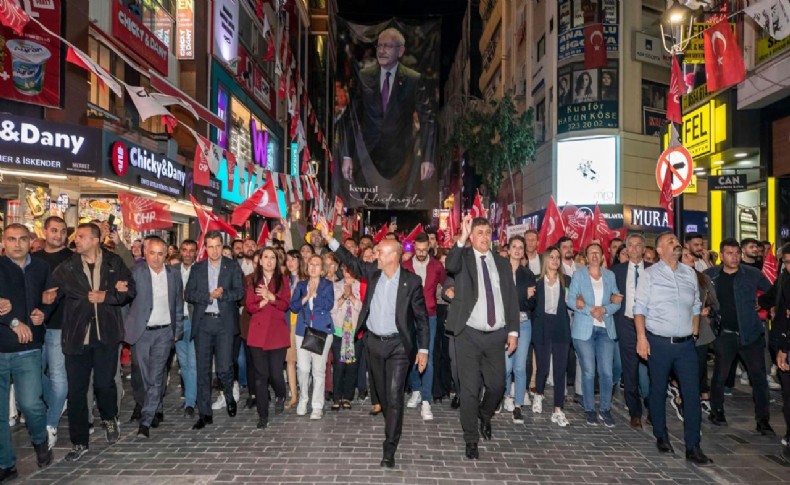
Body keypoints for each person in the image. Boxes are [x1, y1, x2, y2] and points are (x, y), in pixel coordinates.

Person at [320, 217, 428, 468]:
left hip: (399, 346)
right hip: (374, 344)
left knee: (394, 395)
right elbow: (351, 261)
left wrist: (422, 349)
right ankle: (392, 422)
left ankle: (389, 447)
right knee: (382, 394)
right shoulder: (373, 273)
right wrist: (329, 239)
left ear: (394, 256)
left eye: (380, 250)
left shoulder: (411, 282)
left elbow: (422, 319)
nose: (375, 253)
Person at [52, 223, 135, 462]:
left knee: (104, 384)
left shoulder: (113, 263)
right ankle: (79, 441)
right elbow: (50, 291)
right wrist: (44, 303)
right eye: (76, 237)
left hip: (106, 335)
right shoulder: (67, 266)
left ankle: (110, 419)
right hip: (77, 336)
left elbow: (130, 289)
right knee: (77, 390)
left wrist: (107, 296)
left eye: (81, 236)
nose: (76, 240)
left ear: (96, 240)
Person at [445, 215, 520, 460]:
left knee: (498, 384)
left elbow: (510, 298)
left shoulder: (501, 262)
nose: (485, 237)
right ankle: (471, 439)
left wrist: (513, 331)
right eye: (480, 232)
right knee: (469, 390)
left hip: (496, 335)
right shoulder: (464, 259)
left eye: (488, 232)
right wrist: (462, 237)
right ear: (472, 235)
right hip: (468, 334)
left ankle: (485, 414)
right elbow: (450, 264)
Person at [634, 232, 712, 465]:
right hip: (658, 342)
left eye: (677, 241)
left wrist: (695, 331)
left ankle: (693, 446)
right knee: (658, 390)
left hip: (686, 344)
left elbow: (697, 305)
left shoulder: (690, 273)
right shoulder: (649, 275)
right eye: (670, 241)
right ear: (659, 250)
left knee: (692, 393)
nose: (676, 243)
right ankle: (661, 435)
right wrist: (641, 338)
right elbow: (640, 308)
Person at [340, 27, 436, 203]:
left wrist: (428, 159)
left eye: (388, 46)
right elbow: (352, 117)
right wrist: (347, 155)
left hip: (401, 155)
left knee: (398, 199)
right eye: (379, 46)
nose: (382, 50)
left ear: (400, 51)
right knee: (365, 201)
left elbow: (428, 119)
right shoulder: (365, 76)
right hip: (368, 154)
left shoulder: (413, 79)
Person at [0, 224, 54, 480]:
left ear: (31, 241)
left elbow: (52, 296)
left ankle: (40, 441)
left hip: (29, 348)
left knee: (31, 404)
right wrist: (12, 320)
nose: (17, 244)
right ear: (4, 241)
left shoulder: (41, 268)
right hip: (1, 347)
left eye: (22, 239)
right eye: (12, 239)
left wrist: (44, 312)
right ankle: (6, 463)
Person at [704, 238, 774, 435]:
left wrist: (763, 303)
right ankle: (716, 411)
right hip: (724, 334)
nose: (734, 257)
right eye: (729, 253)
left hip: (750, 335)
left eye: (737, 253)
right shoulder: (711, 275)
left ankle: (763, 421)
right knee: (720, 376)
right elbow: (699, 295)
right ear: (722, 255)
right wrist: (707, 312)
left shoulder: (752, 274)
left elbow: (773, 291)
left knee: (759, 379)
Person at [124, 237, 184, 439]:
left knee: (157, 376)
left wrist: (177, 330)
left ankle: (146, 421)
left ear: (166, 254)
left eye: (160, 253)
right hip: (141, 332)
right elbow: (126, 302)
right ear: (145, 253)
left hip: (164, 333)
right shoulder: (136, 273)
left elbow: (177, 303)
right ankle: (152, 406)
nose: (156, 258)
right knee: (142, 377)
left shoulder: (174, 275)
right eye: (152, 253)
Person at [185, 230, 244, 430]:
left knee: (224, 367)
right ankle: (205, 413)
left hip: (224, 324)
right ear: (205, 248)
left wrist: (223, 294)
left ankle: (229, 396)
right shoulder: (198, 268)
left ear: (222, 245)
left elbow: (239, 292)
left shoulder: (232, 266)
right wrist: (208, 297)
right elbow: (188, 294)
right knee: (203, 370)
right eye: (210, 246)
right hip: (203, 324)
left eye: (218, 245)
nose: (215, 250)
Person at [569, 243, 621, 427]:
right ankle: (590, 409)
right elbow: (571, 300)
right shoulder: (579, 274)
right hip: (584, 330)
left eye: (597, 253)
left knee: (606, 372)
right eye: (591, 253)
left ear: (602, 256)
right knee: (589, 371)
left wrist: (605, 309)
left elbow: (617, 300)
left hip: (605, 329)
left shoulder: (609, 275)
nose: (594, 256)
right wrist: (592, 310)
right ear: (586, 256)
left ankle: (605, 409)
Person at [32, 216, 72, 448]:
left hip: (60, 326)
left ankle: (51, 424)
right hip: (35, 325)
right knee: (32, 374)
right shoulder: (33, 259)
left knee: (59, 376)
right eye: (54, 230)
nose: (58, 235)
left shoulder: (71, 259)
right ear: (45, 231)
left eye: (63, 231)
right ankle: (57, 399)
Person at [245, 247, 291, 429]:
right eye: (266, 257)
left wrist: (271, 297)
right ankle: (262, 415)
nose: (269, 261)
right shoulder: (252, 280)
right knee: (260, 377)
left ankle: (281, 394)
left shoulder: (283, 280)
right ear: (260, 260)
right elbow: (249, 305)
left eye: (273, 257)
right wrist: (262, 301)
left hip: (277, 334)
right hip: (257, 335)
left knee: (276, 374)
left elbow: (285, 303)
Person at [402, 233, 446, 420]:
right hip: (409, 316)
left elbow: (446, 282)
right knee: (411, 354)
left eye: (424, 250)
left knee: (427, 355)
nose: (420, 253)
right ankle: (416, 390)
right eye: (417, 250)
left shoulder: (437, 266)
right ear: (413, 247)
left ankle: (426, 400)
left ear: (429, 247)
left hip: (430, 316)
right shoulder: (405, 266)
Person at [612, 234, 651, 429]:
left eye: (638, 245)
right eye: (631, 246)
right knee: (630, 370)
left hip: (650, 326)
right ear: (626, 249)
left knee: (654, 369)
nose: (634, 249)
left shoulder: (654, 271)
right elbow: (608, 294)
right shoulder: (616, 271)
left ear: (644, 249)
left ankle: (653, 409)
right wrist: (612, 299)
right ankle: (635, 411)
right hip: (626, 324)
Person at [290, 254, 334, 419]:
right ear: (307, 268)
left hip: (322, 331)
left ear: (322, 269)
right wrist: (306, 297)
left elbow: (329, 304)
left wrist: (316, 295)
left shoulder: (327, 285)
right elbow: (293, 307)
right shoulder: (301, 285)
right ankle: (303, 399)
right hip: (303, 331)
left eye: (317, 264)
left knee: (318, 370)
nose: (313, 267)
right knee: (303, 368)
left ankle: (317, 406)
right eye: (310, 264)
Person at [532, 247, 572, 427]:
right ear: (545, 260)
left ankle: (558, 409)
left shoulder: (567, 281)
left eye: (558, 257)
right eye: (552, 257)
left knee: (560, 369)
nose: (555, 260)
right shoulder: (536, 282)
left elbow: (572, 302)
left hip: (561, 326)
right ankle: (538, 394)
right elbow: (530, 304)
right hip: (542, 325)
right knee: (542, 366)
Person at [681, 247, 719, 418]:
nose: (690, 258)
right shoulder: (673, 278)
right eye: (686, 256)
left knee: (700, 365)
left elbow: (715, 303)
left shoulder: (703, 278)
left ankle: (699, 396)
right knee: (684, 367)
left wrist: (708, 309)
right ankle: (685, 397)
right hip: (679, 329)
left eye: (690, 255)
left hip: (701, 331)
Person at [502, 236, 536, 422]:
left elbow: (532, 302)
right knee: (506, 368)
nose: (517, 250)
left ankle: (518, 405)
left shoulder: (528, 274)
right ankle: (506, 396)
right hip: (504, 325)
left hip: (524, 323)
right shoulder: (501, 271)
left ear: (523, 251)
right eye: (514, 246)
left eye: (520, 247)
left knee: (520, 366)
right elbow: (502, 298)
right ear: (508, 249)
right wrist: (522, 294)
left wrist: (521, 297)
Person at [762, 243, 790, 458]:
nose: (788, 266)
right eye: (786, 262)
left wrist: (783, 347)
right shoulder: (783, 279)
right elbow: (770, 297)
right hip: (783, 343)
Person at [330, 264, 362, 410]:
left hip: (354, 331)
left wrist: (351, 296)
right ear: (342, 270)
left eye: (350, 269)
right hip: (339, 331)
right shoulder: (335, 286)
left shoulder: (361, 285)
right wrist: (343, 296)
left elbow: (362, 308)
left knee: (352, 366)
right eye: (345, 269)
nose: (348, 272)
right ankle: (337, 396)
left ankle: (348, 397)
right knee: (339, 365)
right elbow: (332, 308)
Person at [172, 240, 198, 417]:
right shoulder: (172, 271)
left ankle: (190, 401)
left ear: (196, 252)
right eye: (185, 250)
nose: (188, 253)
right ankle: (190, 398)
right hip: (177, 322)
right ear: (180, 251)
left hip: (195, 321)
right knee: (184, 364)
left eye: (191, 251)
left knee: (193, 363)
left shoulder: (201, 271)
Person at [283, 250, 304, 409]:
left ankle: (304, 393)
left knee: (303, 363)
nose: (290, 263)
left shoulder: (306, 279)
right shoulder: (283, 280)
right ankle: (293, 395)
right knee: (290, 360)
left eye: (294, 259)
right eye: (288, 260)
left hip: (303, 323)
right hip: (287, 322)